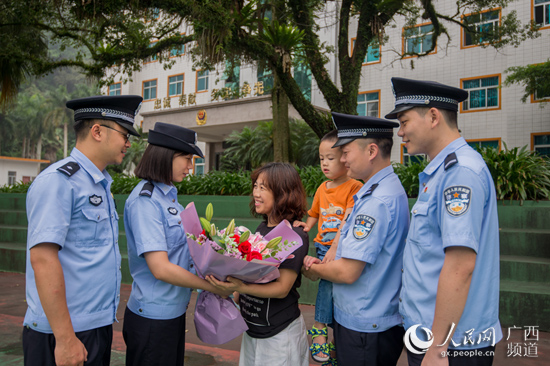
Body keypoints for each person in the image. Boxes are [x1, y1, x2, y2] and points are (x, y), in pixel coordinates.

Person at [385, 77, 501, 365]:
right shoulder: (441, 172)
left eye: (404, 121)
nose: (400, 132)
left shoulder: (459, 173)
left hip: (452, 343)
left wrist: (438, 348)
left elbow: (460, 266)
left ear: (433, 116)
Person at [23, 95, 142, 366]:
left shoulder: (99, 185)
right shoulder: (59, 182)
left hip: (94, 326)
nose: (128, 143)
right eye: (124, 134)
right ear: (97, 131)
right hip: (61, 332)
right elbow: (42, 259)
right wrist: (65, 340)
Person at [302, 112, 409, 366]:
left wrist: (313, 269)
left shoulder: (376, 201)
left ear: (371, 151)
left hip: (365, 327)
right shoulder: (381, 189)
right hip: (370, 320)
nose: (343, 158)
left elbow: (348, 272)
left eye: (346, 151)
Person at [122, 122, 232, 366]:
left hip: (172, 313)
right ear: (166, 155)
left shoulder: (168, 197)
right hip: (153, 318)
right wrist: (210, 286)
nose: (190, 167)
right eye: (187, 158)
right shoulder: (146, 202)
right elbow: (160, 268)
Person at [206, 162, 310, 366]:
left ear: (283, 192)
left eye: (263, 187)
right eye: (255, 186)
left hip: (279, 335)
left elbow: (281, 289)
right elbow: (245, 280)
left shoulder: (294, 235)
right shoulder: (261, 229)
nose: (256, 192)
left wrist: (240, 287)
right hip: (252, 331)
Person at [293, 130, 362, 363]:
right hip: (323, 247)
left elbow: (347, 221)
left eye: (330, 158)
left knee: (338, 291)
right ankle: (321, 329)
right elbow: (314, 214)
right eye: (321, 158)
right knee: (328, 286)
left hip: (342, 248)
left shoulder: (355, 187)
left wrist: (335, 248)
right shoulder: (323, 188)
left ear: (345, 157)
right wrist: (306, 226)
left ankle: (328, 335)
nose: (324, 163)